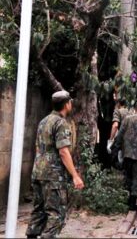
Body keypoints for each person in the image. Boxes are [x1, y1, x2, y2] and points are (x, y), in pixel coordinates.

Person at [26, 91, 84, 239]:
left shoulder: (43, 121)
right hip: (53, 176)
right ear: (66, 104)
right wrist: (75, 176)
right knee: (56, 214)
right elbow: (64, 151)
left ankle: (31, 236)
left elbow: (38, 147)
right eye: (70, 102)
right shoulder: (61, 123)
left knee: (38, 211)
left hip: (38, 171)